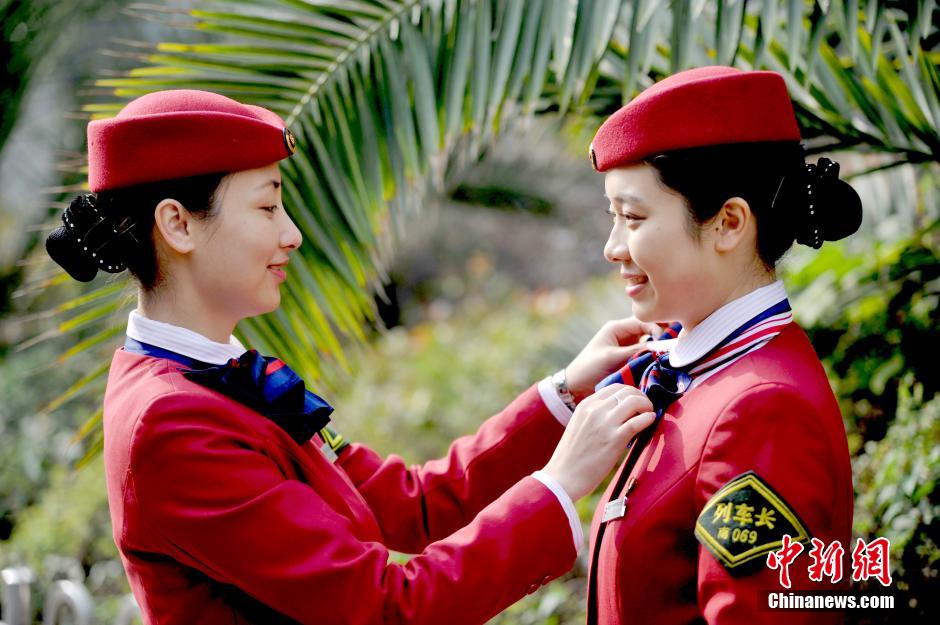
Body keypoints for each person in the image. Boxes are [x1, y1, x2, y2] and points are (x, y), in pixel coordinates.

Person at [45, 89, 658, 625]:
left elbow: (412, 505)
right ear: (178, 225)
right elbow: (386, 608)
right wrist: (561, 484)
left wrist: (565, 393)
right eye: (267, 207)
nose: (292, 234)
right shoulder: (172, 423)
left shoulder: (216, 377)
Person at [581, 66, 862, 624]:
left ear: (729, 223)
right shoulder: (694, 369)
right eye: (613, 217)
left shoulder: (763, 410)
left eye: (632, 217)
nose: (613, 247)